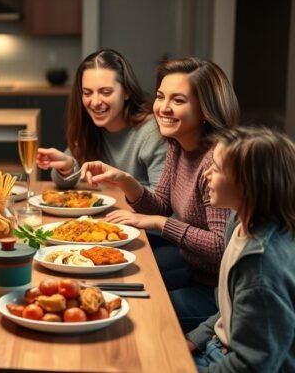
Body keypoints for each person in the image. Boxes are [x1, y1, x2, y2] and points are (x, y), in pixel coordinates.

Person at [79, 57, 240, 330]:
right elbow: (162, 205)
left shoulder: (217, 160)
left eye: (178, 100)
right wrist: (125, 180)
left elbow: (221, 248)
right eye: (160, 97)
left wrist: (160, 224)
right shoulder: (178, 145)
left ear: (205, 109)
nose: (163, 108)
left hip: (220, 291)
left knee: (137, 310)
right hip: (195, 272)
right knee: (107, 289)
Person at [188, 127, 295, 372]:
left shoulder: (260, 269)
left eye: (216, 168)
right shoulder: (238, 221)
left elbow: (253, 365)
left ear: (248, 185)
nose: (206, 174)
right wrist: (193, 339)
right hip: (216, 346)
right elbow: (230, 310)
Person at [36, 49, 166, 190]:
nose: (95, 102)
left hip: (133, 213)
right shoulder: (89, 126)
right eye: (87, 93)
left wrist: (124, 184)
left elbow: (161, 201)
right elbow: (63, 182)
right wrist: (67, 167)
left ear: (127, 92)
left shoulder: (152, 132)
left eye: (105, 92)